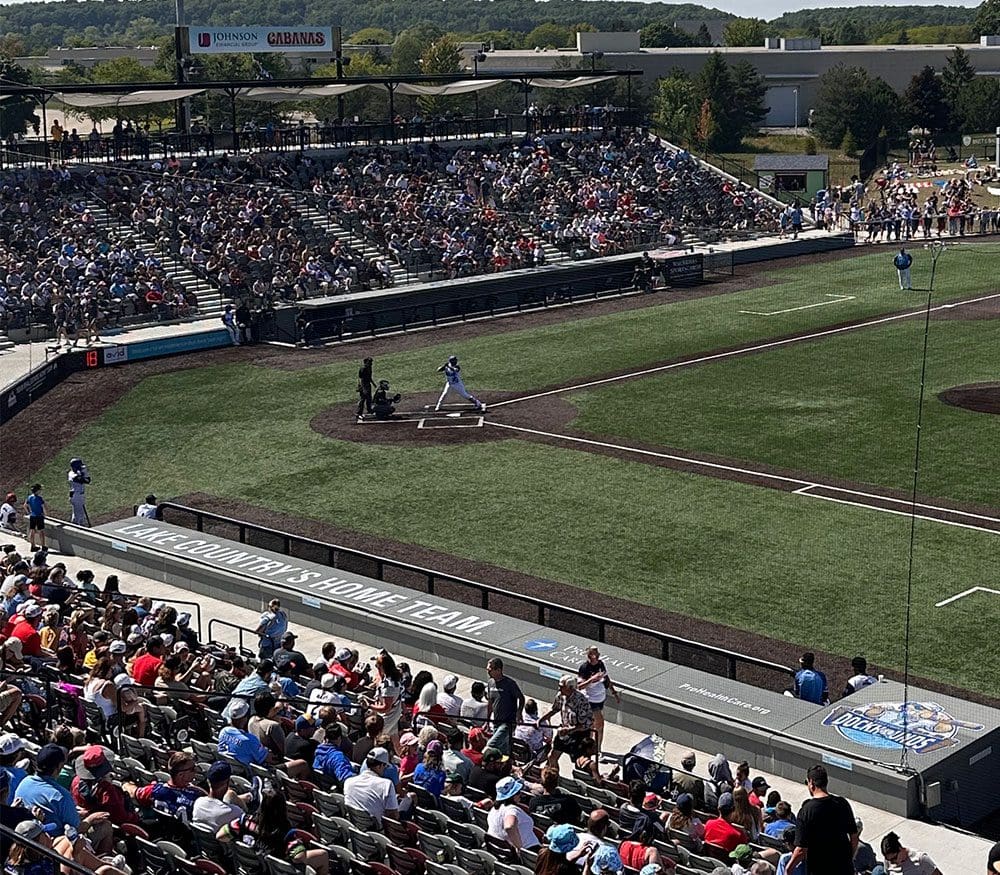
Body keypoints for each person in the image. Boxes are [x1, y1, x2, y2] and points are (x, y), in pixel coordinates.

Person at [217, 789, 329, 875]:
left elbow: (220, 836)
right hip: (277, 869)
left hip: (252, 868)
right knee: (323, 855)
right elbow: (299, 857)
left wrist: (249, 849)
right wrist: (299, 843)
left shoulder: (244, 822)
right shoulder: (286, 834)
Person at [787, 765, 858, 875]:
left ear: (811, 783)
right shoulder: (842, 804)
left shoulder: (806, 811)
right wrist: (848, 859)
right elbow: (854, 837)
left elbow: (801, 849)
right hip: (844, 869)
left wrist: (788, 869)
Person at [540, 674, 593, 767]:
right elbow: (555, 709)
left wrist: (570, 730)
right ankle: (554, 776)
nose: (559, 689)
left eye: (561, 687)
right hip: (564, 731)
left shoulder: (581, 700)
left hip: (579, 735)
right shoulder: (560, 696)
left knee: (579, 763)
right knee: (552, 756)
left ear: (570, 688)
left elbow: (585, 724)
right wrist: (541, 720)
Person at [577, 646, 620, 753]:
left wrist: (614, 692)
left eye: (596, 653)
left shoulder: (600, 664)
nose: (596, 656)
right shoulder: (584, 668)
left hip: (601, 699)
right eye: (592, 654)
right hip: (591, 700)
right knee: (599, 725)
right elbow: (580, 686)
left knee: (592, 724)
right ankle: (596, 749)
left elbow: (606, 678)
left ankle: (591, 747)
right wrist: (592, 679)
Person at [343, 748, 398, 825]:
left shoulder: (348, 782)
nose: (385, 769)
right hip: (378, 833)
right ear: (379, 766)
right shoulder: (387, 785)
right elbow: (393, 817)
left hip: (355, 828)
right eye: (385, 766)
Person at [487, 776, 540, 850]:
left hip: (501, 849)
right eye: (518, 792)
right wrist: (519, 847)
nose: (520, 794)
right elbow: (509, 826)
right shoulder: (511, 810)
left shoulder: (494, 809)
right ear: (511, 796)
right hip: (529, 850)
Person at [486, 657, 524, 754]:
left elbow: (521, 698)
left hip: (508, 723)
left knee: (491, 745)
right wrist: (487, 720)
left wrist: (519, 713)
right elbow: (490, 703)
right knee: (502, 749)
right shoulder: (490, 683)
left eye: (490, 670)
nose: (488, 672)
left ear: (498, 670)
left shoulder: (510, 684)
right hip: (496, 722)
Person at [192, 762, 245, 831]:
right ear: (228, 782)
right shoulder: (235, 812)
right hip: (222, 841)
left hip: (198, 841)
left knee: (230, 795)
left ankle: (248, 797)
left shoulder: (198, 802)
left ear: (208, 781)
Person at [67, 459, 91, 526]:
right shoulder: (71, 474)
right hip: (76, 496)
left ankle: (74, 527)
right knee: (79, 515)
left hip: (78, 495)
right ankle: (79, 529)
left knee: (77, 514)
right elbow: (82, 480)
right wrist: (83, 473)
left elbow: (88, 480)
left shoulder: (78, 473)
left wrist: (85, 473)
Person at [22, 486, 45, 552]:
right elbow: (43, 507)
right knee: (41, 531)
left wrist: (29, 512)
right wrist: (45, 514)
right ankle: (43, 546)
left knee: (32, 531)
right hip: (39, 516)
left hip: (32, 516)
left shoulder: (29, 497)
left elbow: (24, 505)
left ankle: (33, 546)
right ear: (37, 491)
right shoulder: (40, 498)